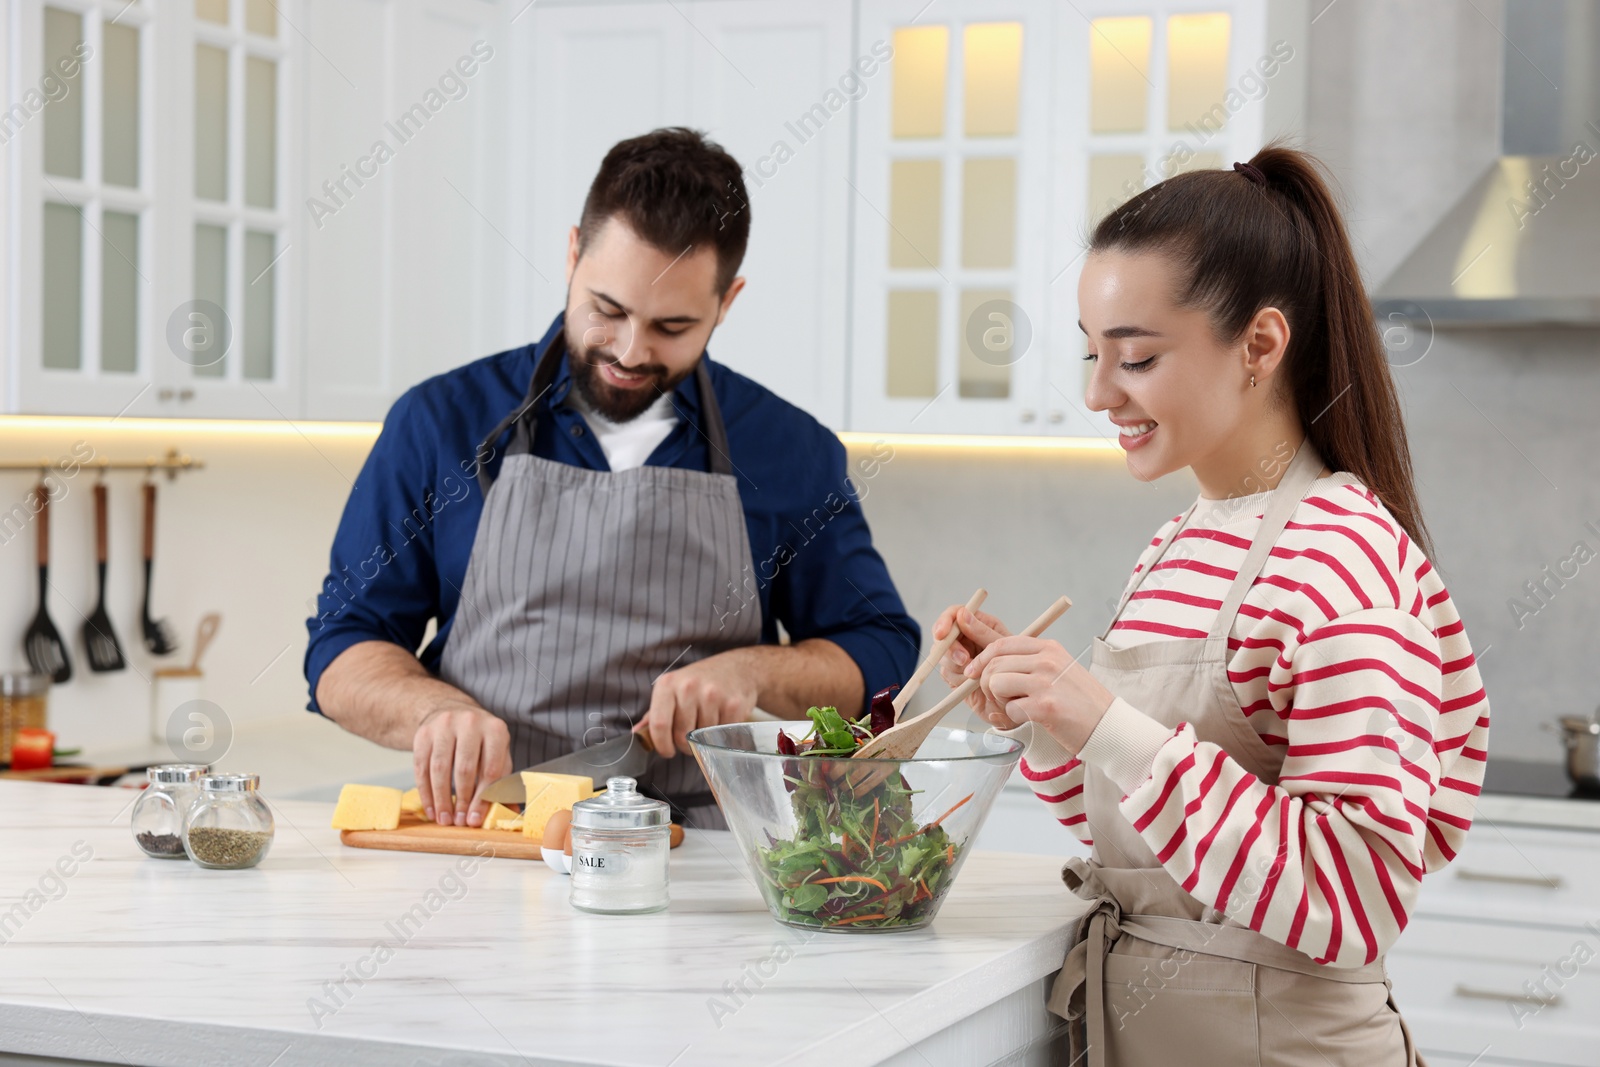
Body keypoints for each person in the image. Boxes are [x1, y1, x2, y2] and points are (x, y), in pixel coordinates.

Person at [935, 147, 1488, 1065]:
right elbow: (1153, 853)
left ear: (1261, 346)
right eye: (1090, 353)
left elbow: (1354, 900)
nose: (1098, 393)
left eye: (1137, 357)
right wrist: (1044, 720)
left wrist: (1103, 719)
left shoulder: (1345, 556)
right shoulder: (1178, 543)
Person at [306, 128, 917, 830]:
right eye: (608, 309)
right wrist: (431, 709)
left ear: (729, 300)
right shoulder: (440, 422)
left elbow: (881, 654)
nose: (631, 351)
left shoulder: (788, 447)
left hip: (700, 858)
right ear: (573, 255)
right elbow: (341, 646)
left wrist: (753, 672)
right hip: (489, 842)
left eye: (672, 325)